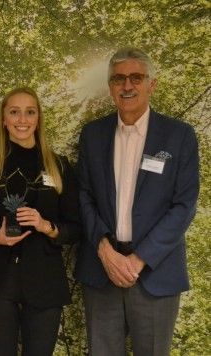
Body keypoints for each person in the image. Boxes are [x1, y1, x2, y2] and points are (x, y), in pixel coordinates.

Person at [75, 47, 199, 356]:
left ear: (151, 84)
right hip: (102, 271)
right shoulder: (92, 135)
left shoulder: (179, 136)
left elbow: (184, 206)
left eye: (136, 77)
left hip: (155, 273)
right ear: (110, 86)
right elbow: (83, 196)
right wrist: (105, 250)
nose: (127, 86)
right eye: (118, 78)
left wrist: (138, 259)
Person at [0, 87, 81, 356]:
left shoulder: (59, 166)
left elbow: (76, 227)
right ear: (4, 119)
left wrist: (47, 227)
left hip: (44, 282)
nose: (22, 119)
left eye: (30, 112)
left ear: (38, 118)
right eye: (14, 112)